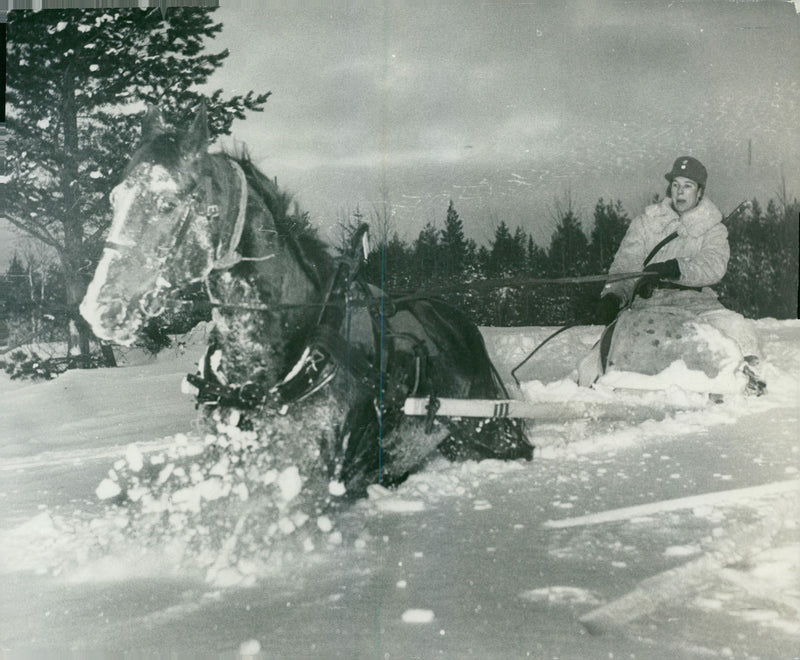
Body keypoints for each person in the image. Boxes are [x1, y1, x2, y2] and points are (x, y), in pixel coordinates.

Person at [580, 156, 765, 394]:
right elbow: (625, 266)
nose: (680, 192)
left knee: (738, 330)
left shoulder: (713, 228)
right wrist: (614, 296)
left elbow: (714, 265)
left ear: (700, 192)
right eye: (676, 184)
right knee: (597, 360)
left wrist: (678, 268)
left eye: (688, 186)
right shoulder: (646, 223)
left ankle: (750, 386)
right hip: (648, 303)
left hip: (698, 303)